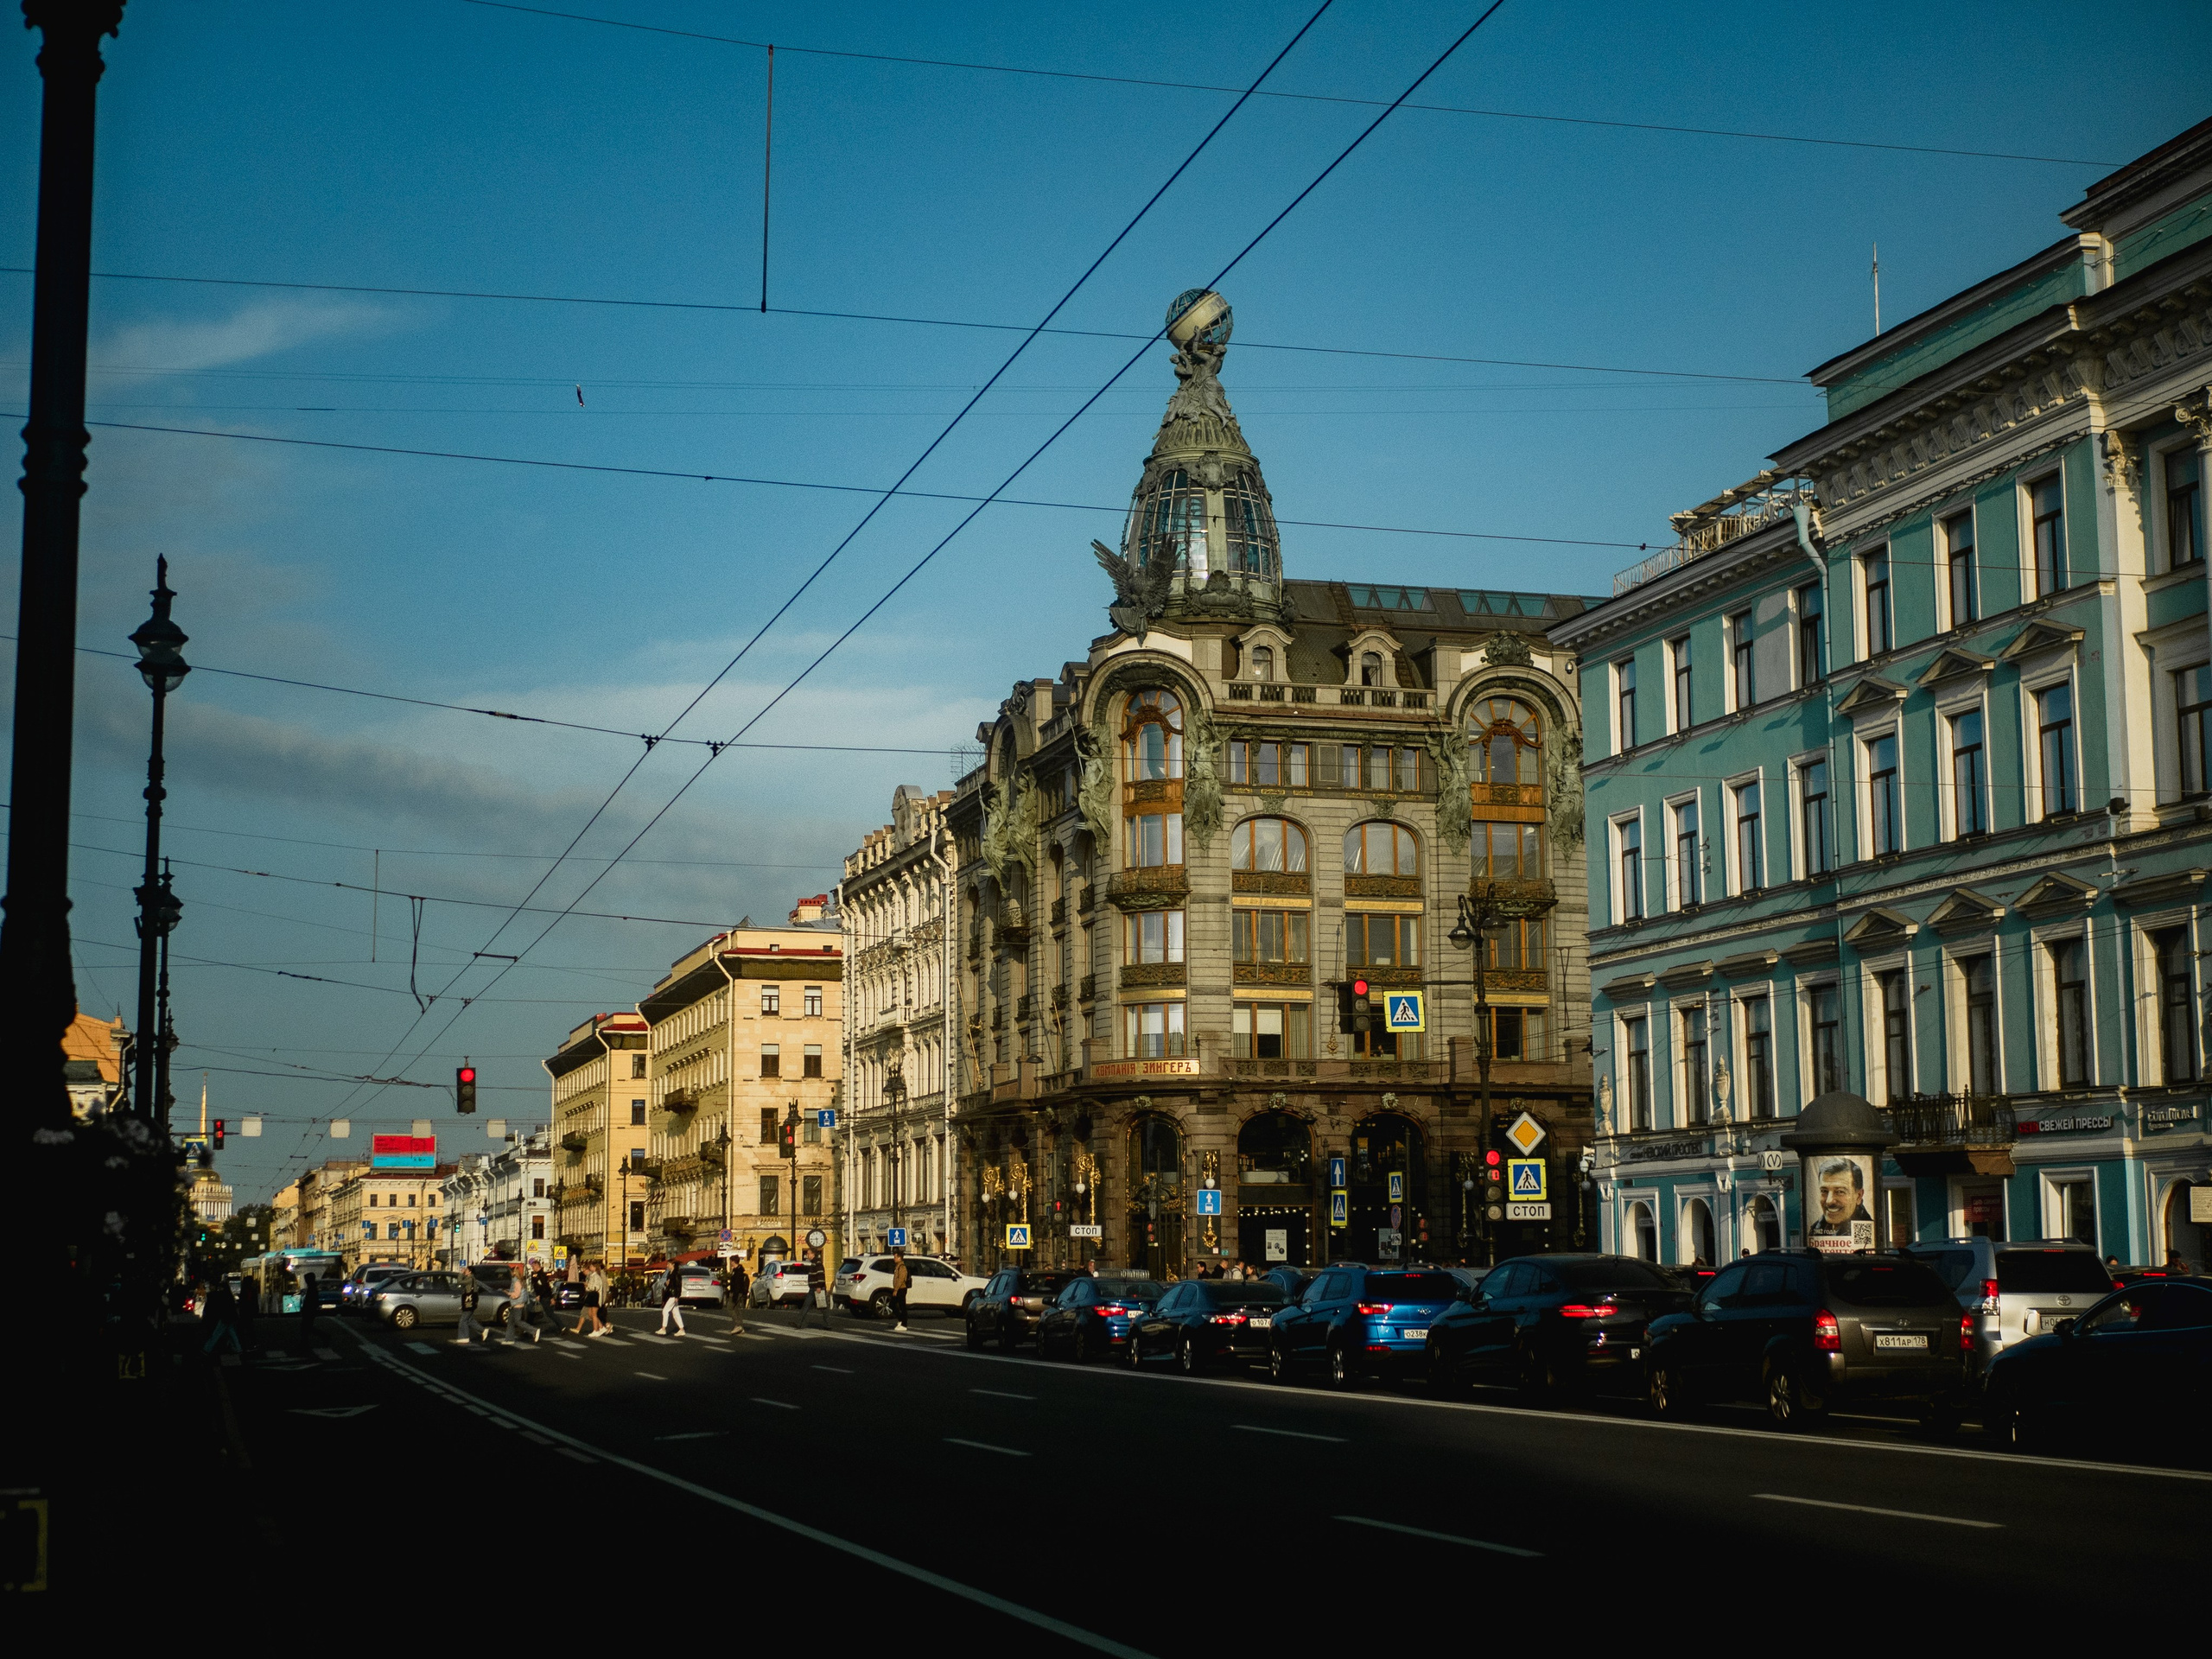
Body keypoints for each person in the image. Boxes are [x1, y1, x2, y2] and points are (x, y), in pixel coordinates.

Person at [201, 1277, 241, 1357]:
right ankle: (239, 1349)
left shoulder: (222, 1295)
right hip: (230, 1317)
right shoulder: (229, 1295)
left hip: (224, 1317)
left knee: (216, 1334)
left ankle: (207, 1349)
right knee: (232, 1333)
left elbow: (220, 1307)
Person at [793, 1249, 828, 1329]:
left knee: (823, 1307)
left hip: (818, 1289)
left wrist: (819, 1286)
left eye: (808, 1253)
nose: (807, 1255)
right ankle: (798, 1323)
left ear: (813, 1254)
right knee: (806, 1306)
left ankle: (827, 1324)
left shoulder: (817, 1263)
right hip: (813, 1289)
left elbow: (820, 1275)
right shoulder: (813, 1263)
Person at [509, 1269, 541, 1344]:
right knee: (514, 1320)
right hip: (519, 1304)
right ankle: (513, 1336)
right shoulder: (520, 1281)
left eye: (511, 1272)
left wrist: (509, 1294)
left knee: (517, 1321)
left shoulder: (517, 1282)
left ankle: (534, 1331)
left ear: (514, 1273)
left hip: (517, 1304)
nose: (510, 1273)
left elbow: (517, 1294)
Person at [456, 1268, 486, 1344]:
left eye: (466, 1270)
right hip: (469, 1302)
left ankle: (464, 1337)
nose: (464, 1271)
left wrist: (460, 1273)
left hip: (469, 1302)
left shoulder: (470, 1279)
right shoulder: (469, 1279)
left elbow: (459, 1282)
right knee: (469, 1320)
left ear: (470, 1272)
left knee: (463, 1321)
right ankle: (483, 1330)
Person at [658, 1266, 688, 1337]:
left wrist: (677, 1296)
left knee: (665, 1311)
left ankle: (663, 1328)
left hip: (673, 1295)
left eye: (669, 1264)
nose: (668, 1265)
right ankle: (681, 1329)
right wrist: (666, 1284)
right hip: (670, 1295)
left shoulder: (676, 1274)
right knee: (676, 1313)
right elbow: (669, 1285)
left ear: (673, 1265)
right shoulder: (670, 1274)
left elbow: (678, 1286)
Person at [890, 1248, 911, 1332]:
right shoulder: (897, 1266)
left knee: (902, 1307)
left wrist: (896, 1290)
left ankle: (904, 1324)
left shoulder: (902, 1267)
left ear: (899, 1258)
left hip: (901, 1289)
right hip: (898, 1289)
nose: (894, 1259)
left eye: (895, 1257)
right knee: (892, 1304)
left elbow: (901, 1279)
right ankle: (900, 1320)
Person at [298, 1272, 319, 1348]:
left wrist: (306, 1309)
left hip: (309, 1311)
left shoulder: (312, 1288)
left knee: (306, 1327)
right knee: (307, 1327)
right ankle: (304, 1342)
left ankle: (304, 1342)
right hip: (310, 1310)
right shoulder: (312, 1287)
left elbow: (311, 1301)